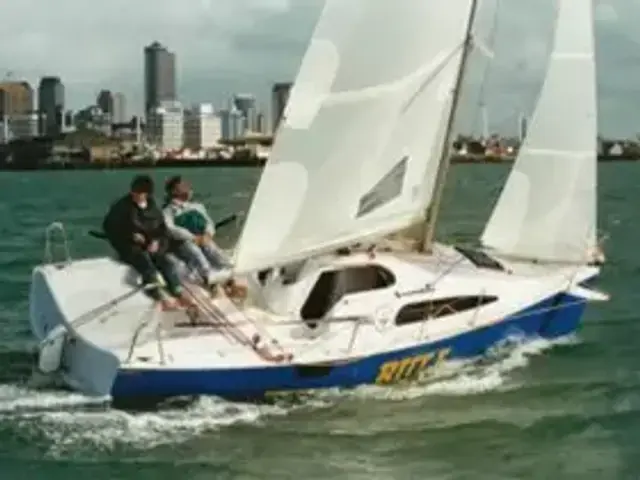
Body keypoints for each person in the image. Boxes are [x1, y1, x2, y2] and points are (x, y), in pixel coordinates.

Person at [102, 175, 193, 310]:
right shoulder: (121, 206)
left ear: (147, 194)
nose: (136, 196)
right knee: (145, 262)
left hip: (151, 244)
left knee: (166, 262)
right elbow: (109, 227)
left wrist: (156, 241)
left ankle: (177, 290)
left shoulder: (153, 207)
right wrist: (130, 235)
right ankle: (158, 293)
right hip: (130, 245)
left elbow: (161, 229)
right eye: (134, 192)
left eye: (140, 193)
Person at [162, 176, 234, 287]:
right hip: (183, 242)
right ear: (174, 191)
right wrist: (192, 237)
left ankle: (227, 270)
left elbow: (208, 222)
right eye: (183, 187)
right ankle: (207, 275)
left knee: (211, 248)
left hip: (202, 238)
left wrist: (208, 234)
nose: (188, 188)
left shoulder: (197, 206)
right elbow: (171, 229)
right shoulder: (168, 211)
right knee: (194, 251)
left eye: (186, 186)